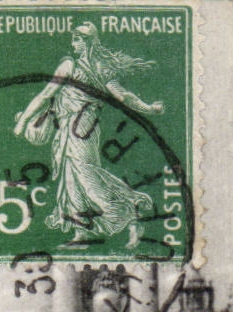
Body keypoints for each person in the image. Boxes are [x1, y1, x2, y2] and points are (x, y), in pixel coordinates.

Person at [13, 22, 165, 249]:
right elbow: (123, 97)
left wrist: (24, 121)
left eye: (77, 39)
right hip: (71, 126)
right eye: (73, 39)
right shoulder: (96, 67)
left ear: (87, 42)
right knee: (70, 176)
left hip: (81, 126)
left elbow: (47, 94)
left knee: (86, 175)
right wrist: (149, 107)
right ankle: (81, 232)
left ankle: (133, 208)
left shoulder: (72, 65)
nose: (73, 44)